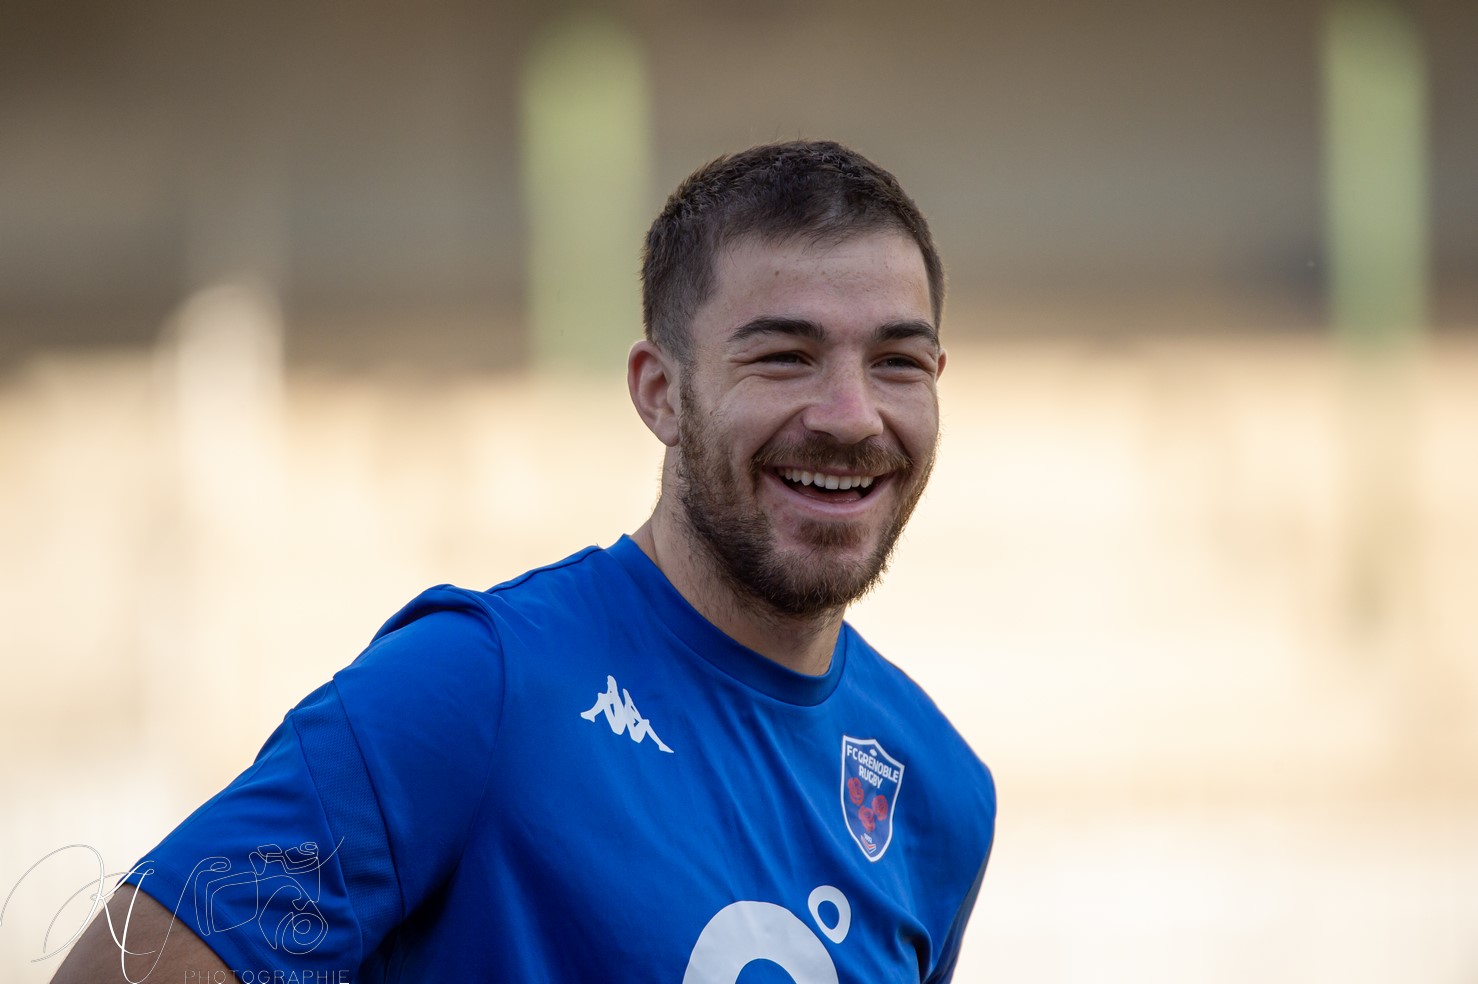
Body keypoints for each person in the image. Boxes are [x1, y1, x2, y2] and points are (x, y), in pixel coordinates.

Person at [54, 139, 995, 983]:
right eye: (785, 357)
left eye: (897, 363)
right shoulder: (476, 686)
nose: (851, 416)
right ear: (661, 394)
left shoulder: (942, 792)